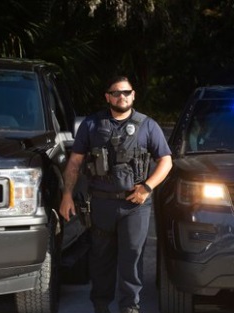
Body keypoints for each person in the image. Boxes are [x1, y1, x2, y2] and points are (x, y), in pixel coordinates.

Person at [59, 76, 172, 313]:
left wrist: (147, 187)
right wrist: (67, 195)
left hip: (135, 206)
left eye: (126, 92)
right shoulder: (91, 125)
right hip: (101, 203)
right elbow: (74, 163)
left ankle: (130, 307)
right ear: (107, 97)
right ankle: (101, 306)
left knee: (132, 259)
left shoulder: (148, 125)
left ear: (134, 95)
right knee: (101, 260)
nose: (122, 96)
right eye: (116, 93)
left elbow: (166, 161)